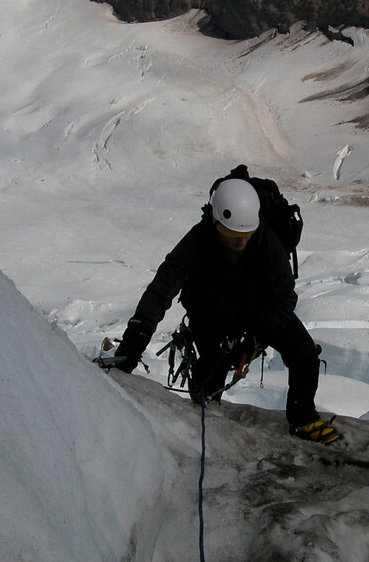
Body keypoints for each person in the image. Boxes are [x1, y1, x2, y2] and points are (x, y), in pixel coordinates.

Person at [112, 176, 340, 445]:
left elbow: (284, 296)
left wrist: (257, 338)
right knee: (209, 379)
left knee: (304, 356)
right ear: (216, 223)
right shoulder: (197, 243)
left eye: (247, 236)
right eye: (234, 237)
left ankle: (304, 418)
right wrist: (134, 340)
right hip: (213, 315)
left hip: (260, 309)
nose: (242, 243)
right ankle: (206, 414)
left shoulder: (265, 240)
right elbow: (161, 290)